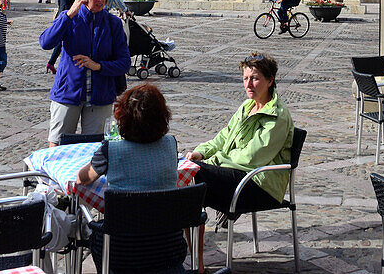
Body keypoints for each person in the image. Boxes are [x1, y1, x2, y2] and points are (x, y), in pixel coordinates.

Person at [186, 53, 293, 272]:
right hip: (239, 176)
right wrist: (201, 152)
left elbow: (251, 157)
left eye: (254, 78)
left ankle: (196, 264)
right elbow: (223, 137)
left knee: (196, 176)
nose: (248, 84)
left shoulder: (277, 116)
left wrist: (212, 163)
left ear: (270, 80)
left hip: (260, 184)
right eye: (245, 78)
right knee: (189, 180)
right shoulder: (246, 107)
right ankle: (192, 259)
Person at [40, 0, 130, 145]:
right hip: (68, 92)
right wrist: (69, 14)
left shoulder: (113, 24)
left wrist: (98, 66)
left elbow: (124, 63)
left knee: (94, 149)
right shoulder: (69, 18)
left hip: (101, 96)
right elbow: (45, 42)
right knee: (58, 146)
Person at [76, 83, 177, 189]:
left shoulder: (110, 150)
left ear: (123, 117)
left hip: (124, 204)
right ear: (163, 116)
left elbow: (82, 179)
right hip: (164, 204)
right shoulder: (170, 143)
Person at [47, 0, 82, 74]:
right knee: (72, 41)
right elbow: (76, 4)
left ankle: (51, 63)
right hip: (70, 17)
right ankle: (71, 64)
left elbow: (60, 3)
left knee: (62, 41)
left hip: (61, 16)